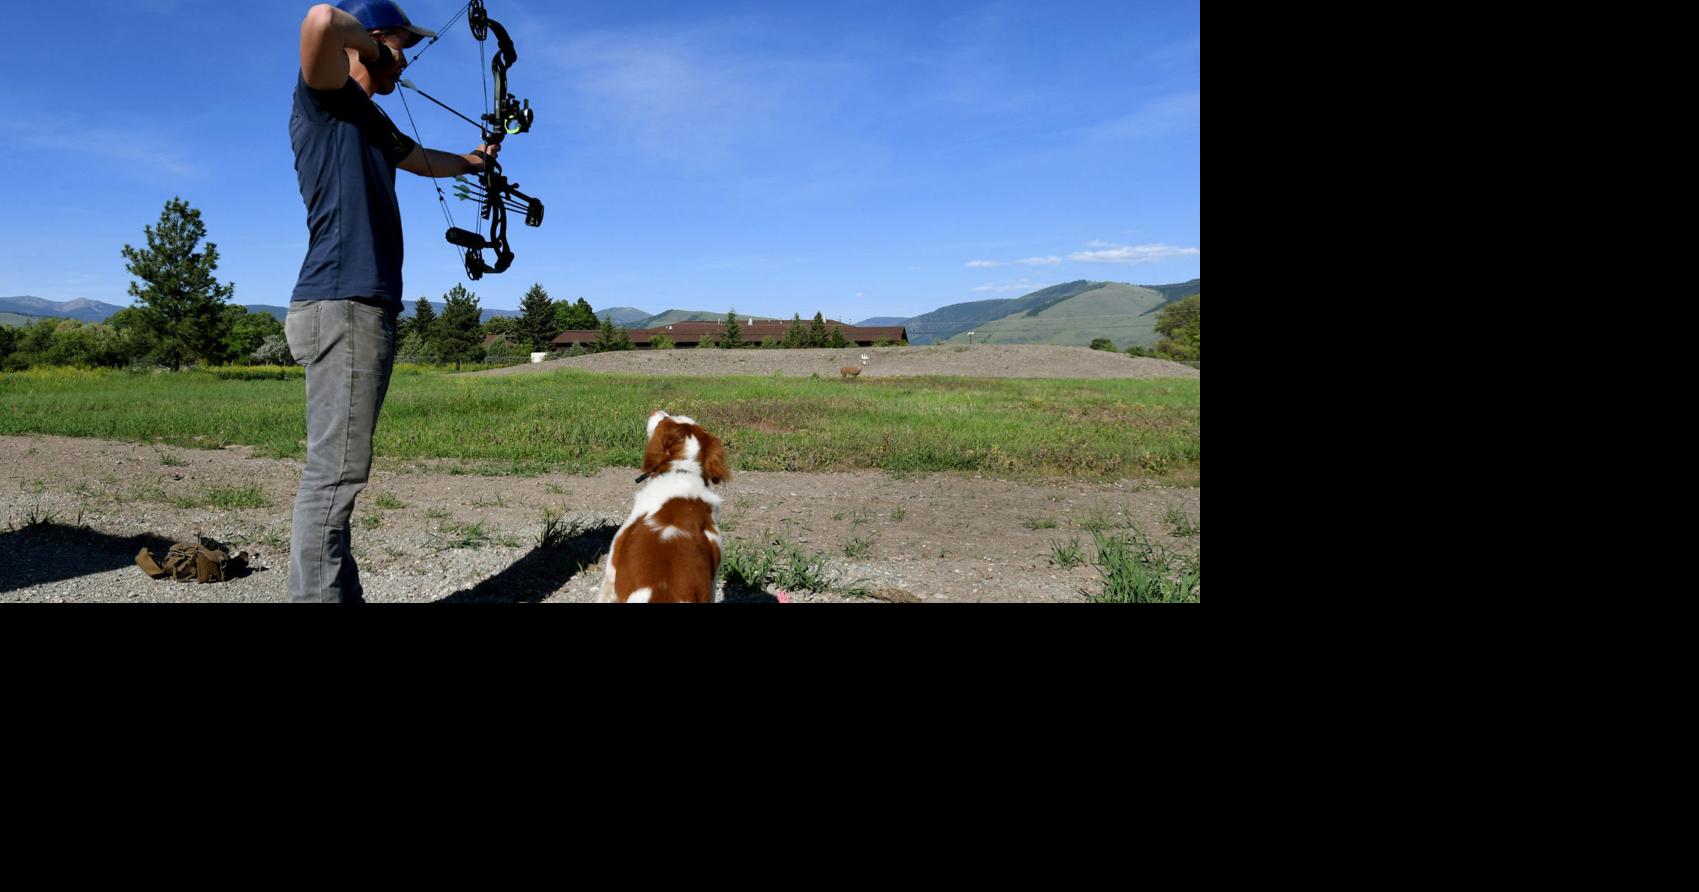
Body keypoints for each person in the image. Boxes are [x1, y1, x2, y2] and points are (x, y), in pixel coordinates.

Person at [286, 1, 497, 602]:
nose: (406, 61)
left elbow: (420, 159)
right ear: (374, 41)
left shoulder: (370, 120)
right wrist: (377, 53)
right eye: (402, 46)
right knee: (333, 480)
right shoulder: (323, 96)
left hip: (355, 304)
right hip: (343, 303)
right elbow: (321, 19)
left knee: (335, 478)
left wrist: (476, 163)